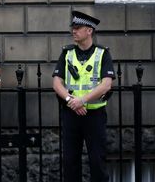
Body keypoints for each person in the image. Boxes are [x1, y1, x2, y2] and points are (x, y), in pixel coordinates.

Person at [52, 10, 115, 182]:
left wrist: (82, 101)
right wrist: (71, 101)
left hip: (94, 115)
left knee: (97, 161)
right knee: (70, 162)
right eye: (73, 27)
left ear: (89, 31)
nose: (74, 31)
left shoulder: (102, 54)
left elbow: (106, 84)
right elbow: (57, 83)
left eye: (78, 27)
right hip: (71, 114)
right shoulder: (67, 53)